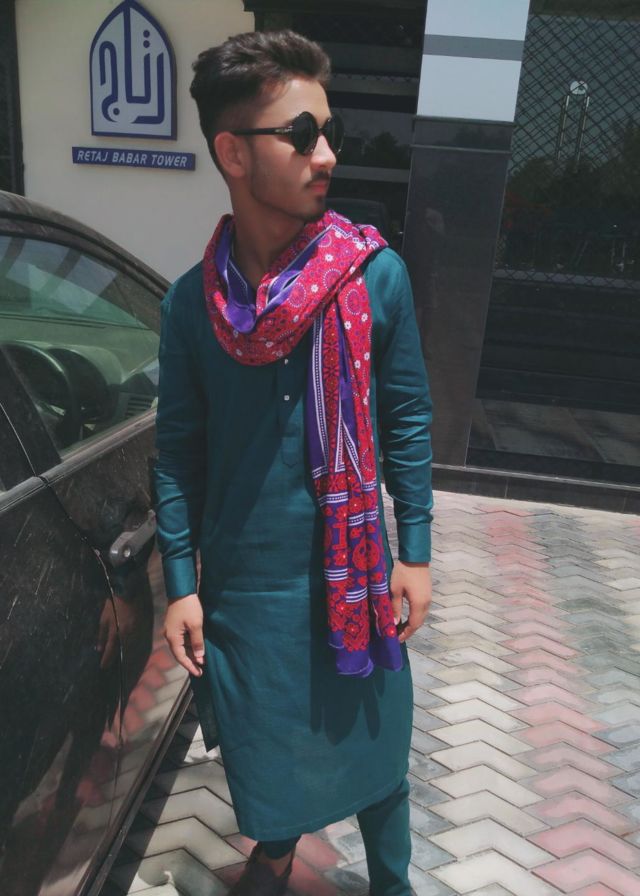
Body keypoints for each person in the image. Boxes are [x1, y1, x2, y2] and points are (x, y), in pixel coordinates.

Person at [154, 29, 434, 896]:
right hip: (248, 592)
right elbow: (178, 452)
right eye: (302, 134)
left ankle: (393, 883)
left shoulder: (375, 278)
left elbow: (407, 419)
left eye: (329, 131)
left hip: (354, 573)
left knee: (379, 753)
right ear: (233, 153)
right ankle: (273, 854)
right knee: (266, 754)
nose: (328, 154)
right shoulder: (191, 306)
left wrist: (416, 551)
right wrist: (181, 584)